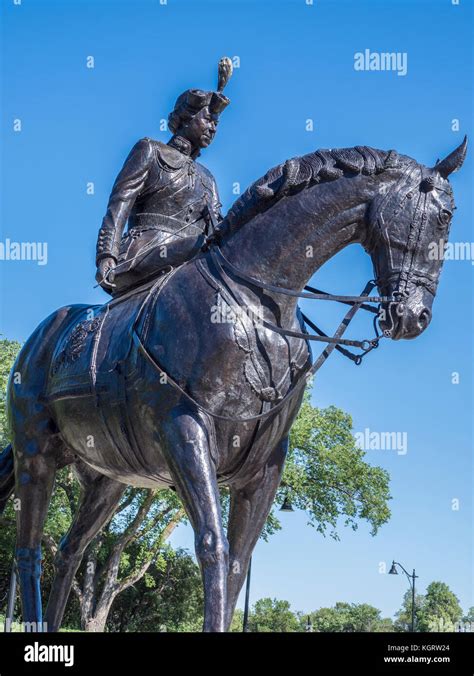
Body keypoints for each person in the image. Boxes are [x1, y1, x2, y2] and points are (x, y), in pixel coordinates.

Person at [95, 57, 233, 294]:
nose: (213, 128)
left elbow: (218, 229)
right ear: (186, 118)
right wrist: (107, 253)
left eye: (217, 123)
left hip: (194, 261)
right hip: (146, 252)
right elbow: (120, 202)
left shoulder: (208, 178)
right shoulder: (150, 150)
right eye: (208, 120)